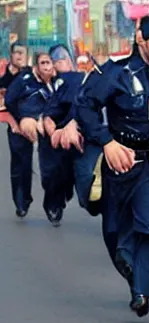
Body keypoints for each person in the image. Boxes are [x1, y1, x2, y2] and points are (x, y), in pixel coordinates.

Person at [76, 13, 149, 317]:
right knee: (116, 230)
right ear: (141, 38)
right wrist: (106, 142)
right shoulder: (115, 73)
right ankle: (133, 272)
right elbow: (86, 106)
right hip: (122, 161)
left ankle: (141, 290)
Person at [6, 52, 55, 218]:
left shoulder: (57, 82)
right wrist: (20, 120)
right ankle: (22, 202)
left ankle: (53, 205)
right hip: (21, 126)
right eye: (43, 63)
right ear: (36, 66)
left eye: (49, 63)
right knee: (21, 165)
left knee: (51, 167)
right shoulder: (24, 79)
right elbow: (9, 100)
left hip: (47, 127)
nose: (47, 67)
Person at [41, 44, 85, 226]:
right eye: (55, 59)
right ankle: (53, 205)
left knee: (71, 174)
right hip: (52, 134)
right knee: (52, 175)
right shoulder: (36, 81)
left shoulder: (78, 79)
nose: (60, 62)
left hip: (75, 132)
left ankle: (63, 195)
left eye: (63, 58)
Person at [1, 43, 32, 217]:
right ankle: (20, 202)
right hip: (14, 127)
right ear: (11, 55)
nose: (20, 57)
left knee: (28, 165)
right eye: (17, 53)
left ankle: (26, 197)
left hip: (32, 125)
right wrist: (12, 122)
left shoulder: (30, 76)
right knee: (17, 165)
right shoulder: (3, 80)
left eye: (23, 53)